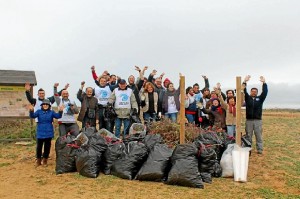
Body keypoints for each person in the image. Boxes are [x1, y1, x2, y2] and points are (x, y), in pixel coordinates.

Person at [29, 99, 63, 167]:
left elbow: (58, 116)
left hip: (49, 132)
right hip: (40, 131)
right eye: (44, 104)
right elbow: (32, 116)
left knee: (47, 147)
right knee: (39, 147)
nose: (45, 105)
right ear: (42, 105)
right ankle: (38, 160)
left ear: (49, 105)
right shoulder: (38, 111)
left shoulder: (51, 112)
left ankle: (45, 160)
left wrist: (60, 111)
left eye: (46, 104)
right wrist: (31, 110)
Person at [243, 75, 268, 154]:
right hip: (249, 120)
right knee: (248, 136)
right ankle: (248, 149)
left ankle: (259, 150)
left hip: (258, 120)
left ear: (257, 93)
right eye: (252, 91)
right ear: (250, 92)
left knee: (258, 136)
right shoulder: (247, 98)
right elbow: (243, 90)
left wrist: (264, 83)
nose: (253, 92)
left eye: (255, 91)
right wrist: (245, 81)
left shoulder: (260, 99)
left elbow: (265, 92)